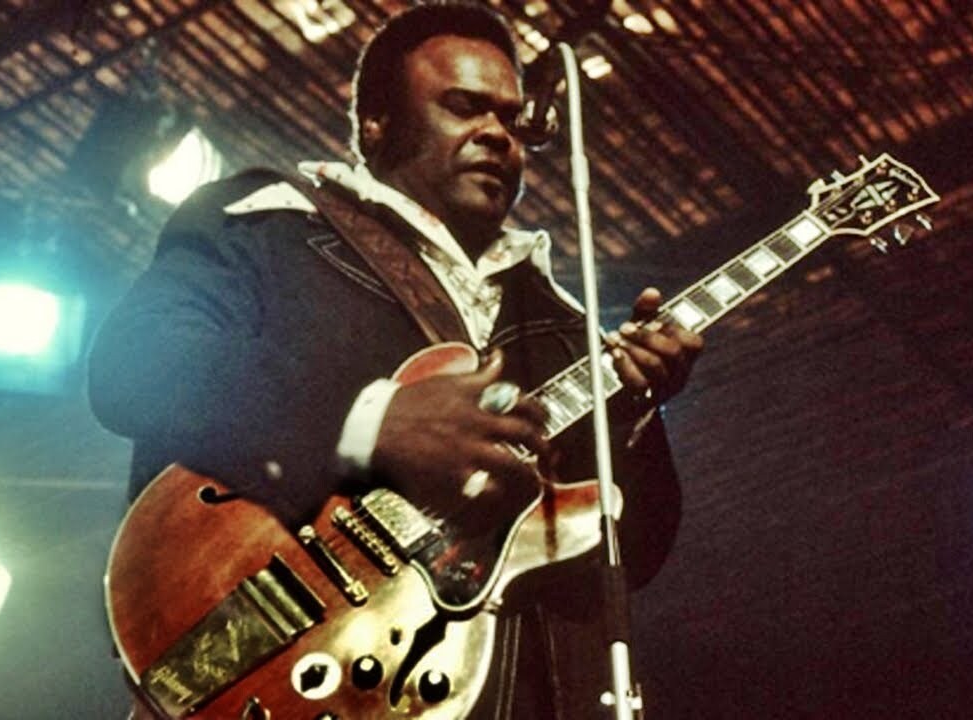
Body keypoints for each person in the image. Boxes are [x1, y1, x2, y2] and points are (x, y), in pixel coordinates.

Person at [89, 2, 702, 718]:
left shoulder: (563, 323)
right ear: (375, 125)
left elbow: (633, 558)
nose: (497, 134)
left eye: (512, 120)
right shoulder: (272, 224)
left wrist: (636, 416)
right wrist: (367, 424)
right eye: (464, 107)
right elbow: (137, 364)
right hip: (267, 652)